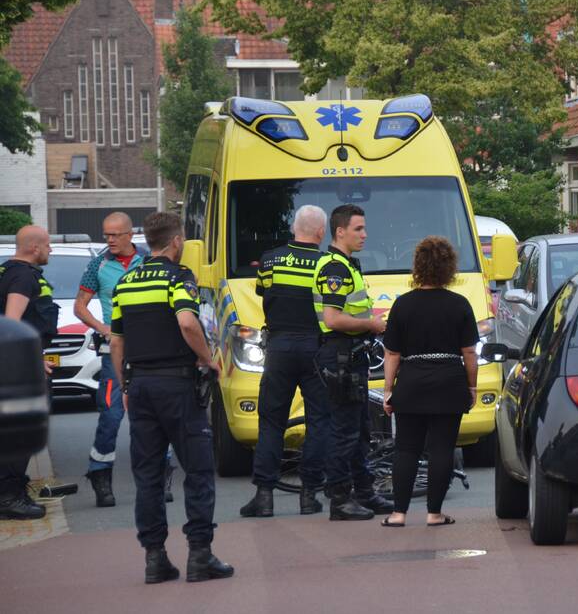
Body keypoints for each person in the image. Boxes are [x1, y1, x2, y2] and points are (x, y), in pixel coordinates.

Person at [109, 212, 233, 584]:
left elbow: (117, 341)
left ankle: (155, 558)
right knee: (197, 470)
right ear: (176, 241)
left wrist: (125, 386)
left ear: (147, 240)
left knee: (148, 475)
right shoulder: (178, 277)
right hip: (177, 386)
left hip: (141, 386)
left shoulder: (126, 282)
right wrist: (207, 359)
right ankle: (200, 555)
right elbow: (186, 321)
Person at [380, 236, 478, 528]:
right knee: (442, 449)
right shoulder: (459, 304)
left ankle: (399, 513)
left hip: (411, 382)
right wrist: (471, 386)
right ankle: (434, 513)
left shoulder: (402, 305)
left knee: (406, 449)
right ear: (449, 268)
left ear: (418, 266)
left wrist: (388, 390)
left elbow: (392, 353)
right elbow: (470, 353)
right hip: (449, 381)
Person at [240, 205, 332, 518]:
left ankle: (264, 496)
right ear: (321, 232)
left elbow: (263, 292)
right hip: (316, 350)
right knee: (319, 421)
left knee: (271, 422)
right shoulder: (326, 263)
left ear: (294, 228)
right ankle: (309, 495)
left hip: (278, 347)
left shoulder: (270, 259)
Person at [312, 204, 393, 520]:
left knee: (360, 430)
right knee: (344, 431)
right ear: (340, 231)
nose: (365, 234)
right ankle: (340, 500)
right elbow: (333, 319)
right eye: (358, 229)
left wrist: (371, 321)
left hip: (351, 355)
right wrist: (372, 325)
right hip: (340, 356)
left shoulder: (347, 264)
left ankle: (364, 492)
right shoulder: (335, 268)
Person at [74, 212, 150, 508]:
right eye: (106, 235)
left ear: (130, 235)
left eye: (115, 235)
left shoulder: (147, 262)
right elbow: (80, 306)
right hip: (112, 354)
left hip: (147, 351)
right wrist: (104, 328)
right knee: (111, 414)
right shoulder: (98, 264)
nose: (110, 240)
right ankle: (100, 475)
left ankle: (158, 476)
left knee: (151, 414)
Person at [0, 225, 58, 520]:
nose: (50, 250)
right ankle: (10, 497)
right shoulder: (23, 277)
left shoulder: (6, 271)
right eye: (47, 245)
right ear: (34, 248)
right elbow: (12, 322)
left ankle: (10, 493)